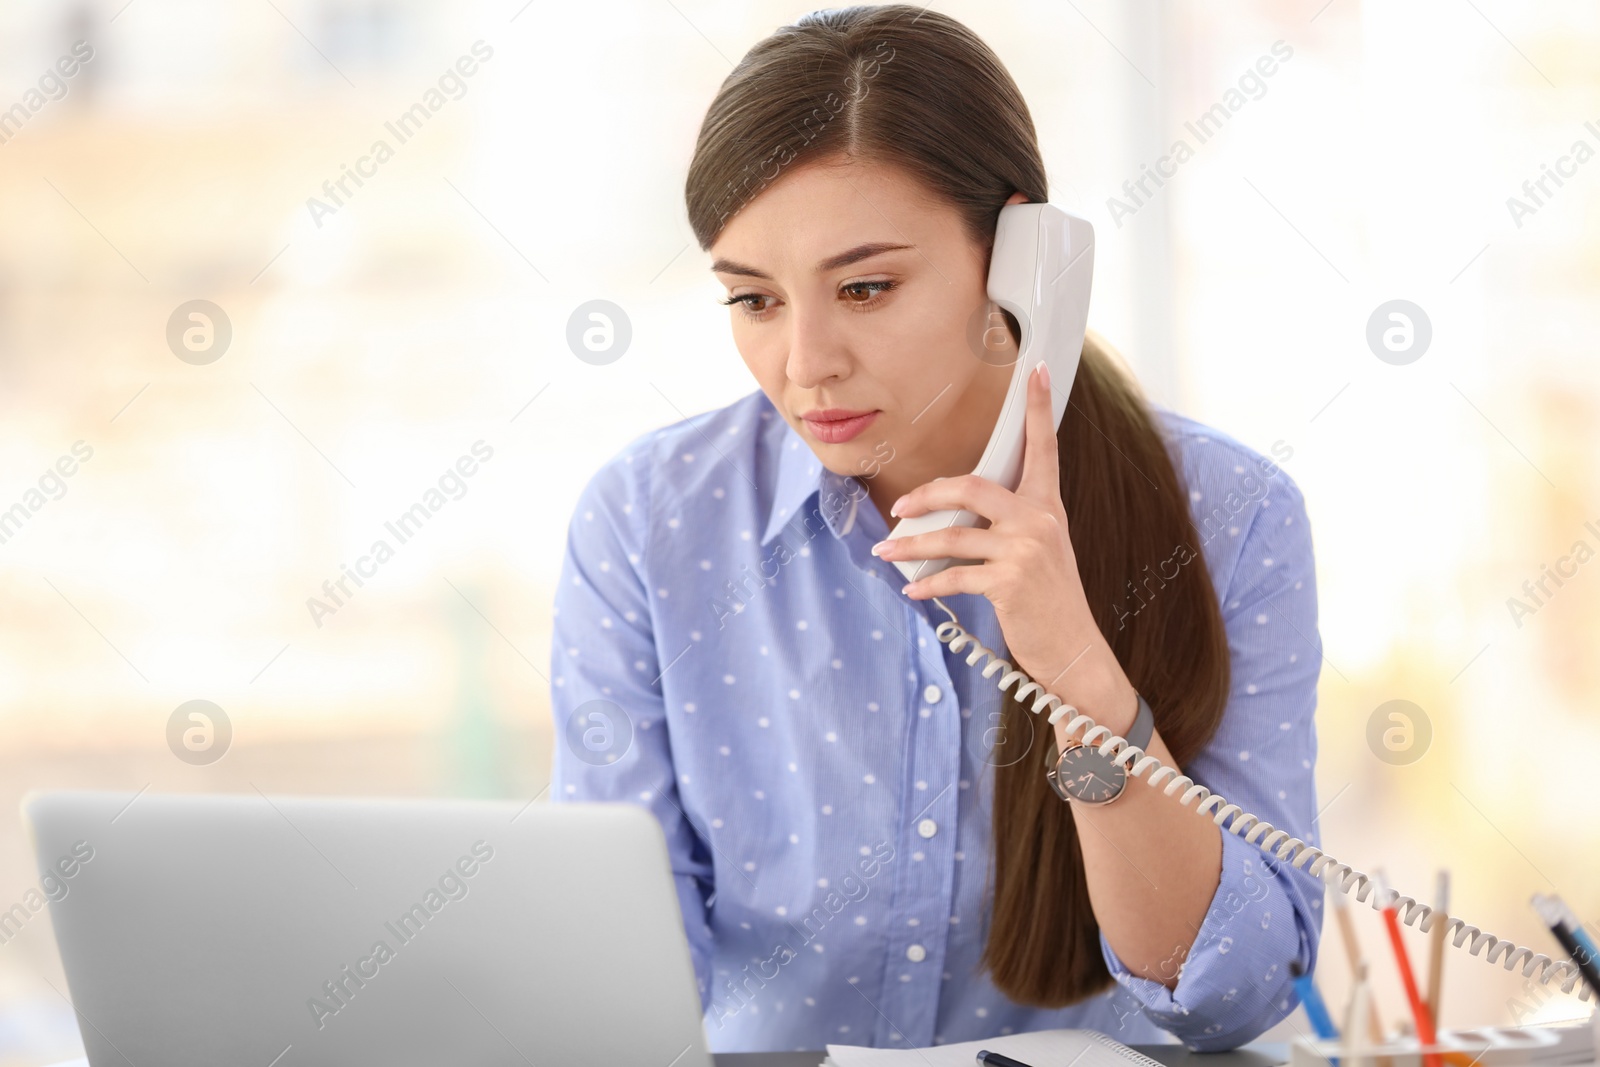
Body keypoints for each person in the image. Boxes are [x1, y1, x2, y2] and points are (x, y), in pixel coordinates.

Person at [549, 4, 1323, 1054]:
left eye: (864, 287)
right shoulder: (649, 522)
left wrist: (1076, 672)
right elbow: (615, 977)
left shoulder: (1230, 516)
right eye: (754, 300)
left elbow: (1237, 992)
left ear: (1018, 263)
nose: (804, 362)